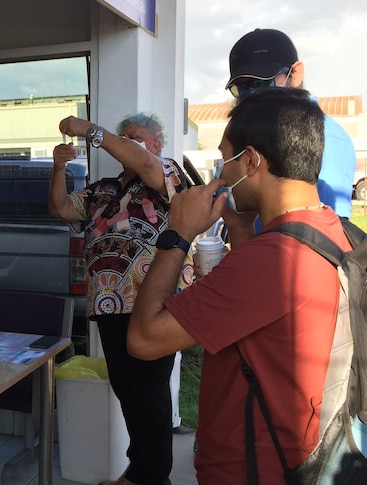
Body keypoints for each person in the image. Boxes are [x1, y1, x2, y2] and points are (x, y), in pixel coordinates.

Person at [127, 87, 349, 484]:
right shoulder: (329, 231)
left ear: (251, 161)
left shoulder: (271, 259)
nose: (223, 173)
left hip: (252, 471)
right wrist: (240, 227)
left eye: (225, 159)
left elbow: (144, 339)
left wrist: (177, 232)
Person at [51, 113, 195, 485]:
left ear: (157, 142)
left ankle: (152, 477)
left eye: (135, 137)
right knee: (128, 392)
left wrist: (93, 131)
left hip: (155, 305)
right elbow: (62, 208)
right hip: (110, 303)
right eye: (124, 137)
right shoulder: (102, 188)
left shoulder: (167, 174)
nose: (128, 142)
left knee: (150, 395)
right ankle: (140, 471)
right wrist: (57, 167)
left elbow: (144, 163)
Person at [225, 27, 356, 219]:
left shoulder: (325, 137)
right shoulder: (260, 133)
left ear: (295, 73)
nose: (252, 95)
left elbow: (321, 240)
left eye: (262, 83)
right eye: (243, 87)